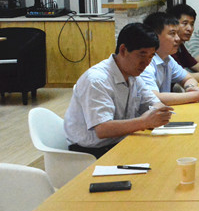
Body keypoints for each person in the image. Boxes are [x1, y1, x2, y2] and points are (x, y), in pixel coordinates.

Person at [63, 23, 174, 159]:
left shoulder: (133, 75)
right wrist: (145, 122)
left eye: (151, 56)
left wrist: (158, 114)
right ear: (123, 50)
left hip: (120, 141)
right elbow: (103, 129)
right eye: (142, 54)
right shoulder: (96, 80)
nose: (146, 62)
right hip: (91, 152)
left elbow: (155, 104)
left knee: (168, 152)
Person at [139, 12, 199, 105]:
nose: (178, 39)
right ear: (155, 37)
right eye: (172, 34)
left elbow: (188, 78)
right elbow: (154, 98)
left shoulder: (167, 59)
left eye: (177, 34)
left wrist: (190, 87)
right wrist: (197, 95)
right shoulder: (145, 63)